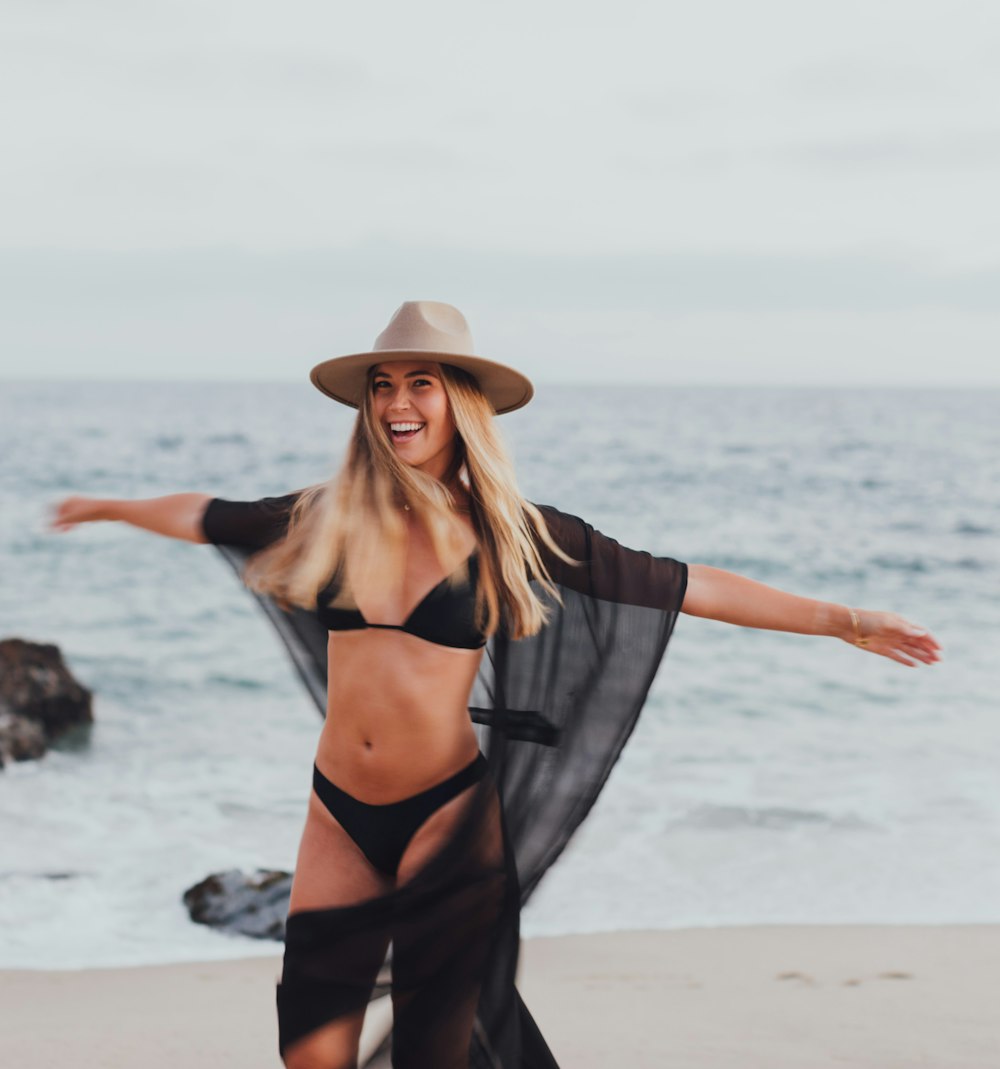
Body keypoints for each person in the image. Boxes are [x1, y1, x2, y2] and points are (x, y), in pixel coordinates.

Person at [49, 300, 942, 1068]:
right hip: (337, 811)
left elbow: (684, 582)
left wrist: (842, 619)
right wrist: (109, 507)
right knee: (309, 1049)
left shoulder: (514, 532)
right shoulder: (328, 516)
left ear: (459, 402)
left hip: (447, 818)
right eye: (383, 384)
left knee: (437, 1053)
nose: (398, 401)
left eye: (421, 382)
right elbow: (207, 515)